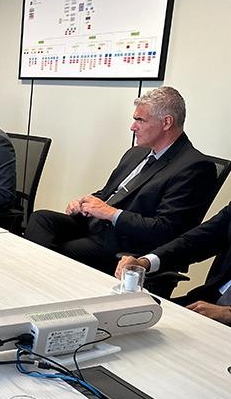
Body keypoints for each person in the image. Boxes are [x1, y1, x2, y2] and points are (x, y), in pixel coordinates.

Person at [24, 86, 216, 274]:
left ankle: (35, 279)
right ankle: (33, 276)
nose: (133, 127)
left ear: (166, 123)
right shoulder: (136, 153)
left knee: (62, 253)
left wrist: (111, 213)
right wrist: (85, 202)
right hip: (96, 227)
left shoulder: (195, 167)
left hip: (126, 245)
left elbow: (166, 229)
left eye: (140, 120)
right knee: (41, 219)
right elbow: (108, 195)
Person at [116, 203, 231, 325]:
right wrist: (145, 262)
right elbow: (198, 240)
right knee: (131, 319)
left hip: (224, 321)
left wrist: (228, 314)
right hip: (206, 302)